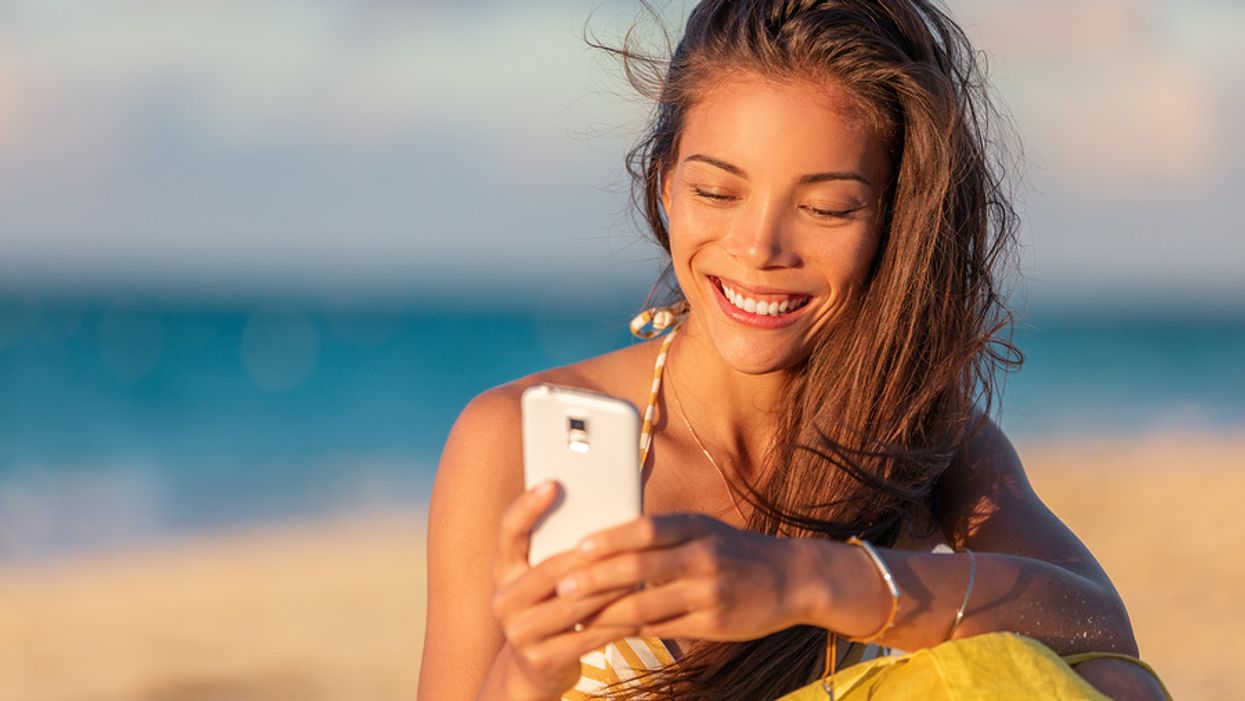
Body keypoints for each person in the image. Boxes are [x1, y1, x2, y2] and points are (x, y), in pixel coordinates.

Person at [418, 1, 1170, 699]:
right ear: (664, 190)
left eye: (826, 207)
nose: (758, 247)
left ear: (892, 224)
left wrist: (798, 580)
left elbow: (1095, 625)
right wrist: (529, 668)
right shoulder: (507, 438)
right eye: (716, 191)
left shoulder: (912, 433)